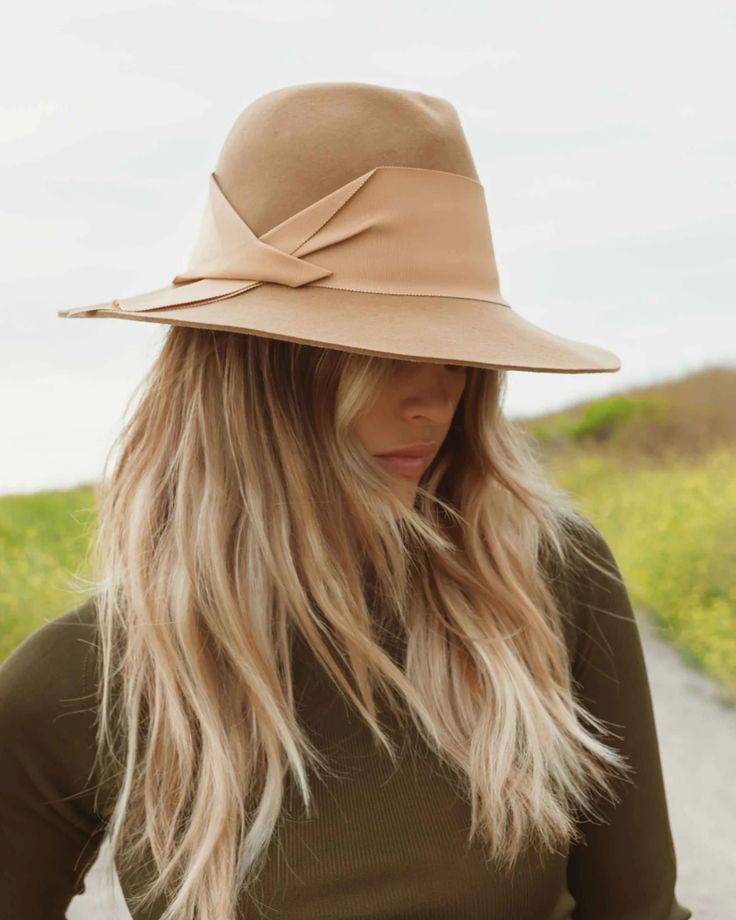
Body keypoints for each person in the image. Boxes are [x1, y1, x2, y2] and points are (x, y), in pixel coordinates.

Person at [0, 82, 692, 920]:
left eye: (455, 351)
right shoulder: (84, 681)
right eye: (381, 348)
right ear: (250, 367)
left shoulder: (543, 577)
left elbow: (640, 911)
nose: (434, 399)